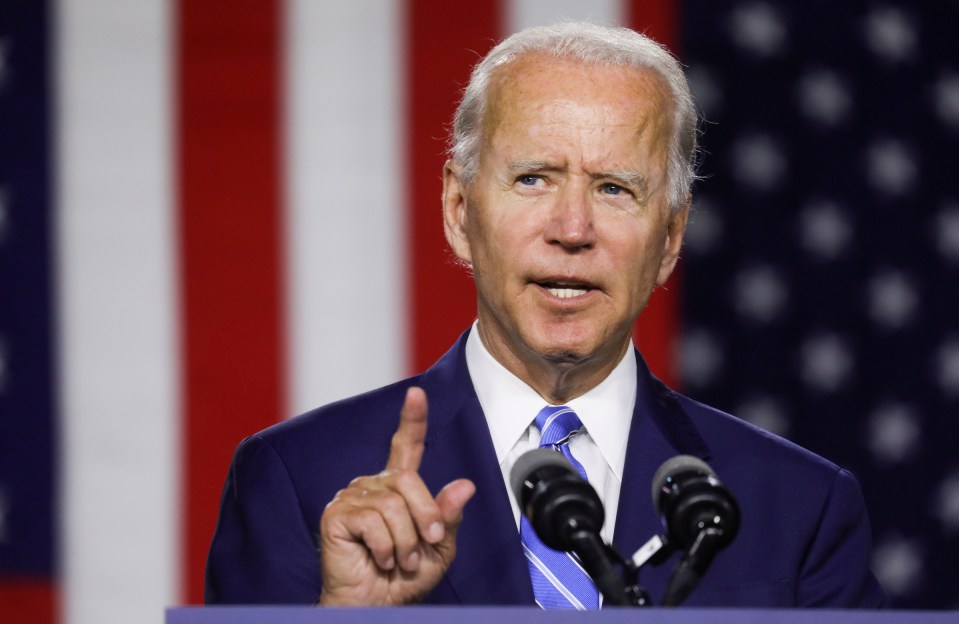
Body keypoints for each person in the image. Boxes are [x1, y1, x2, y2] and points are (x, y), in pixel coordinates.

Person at [205, 22, 886, 608]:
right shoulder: (297, 480)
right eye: (533, 179)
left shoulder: (799, 507)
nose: (572, 229)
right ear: (459, 211)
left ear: (670, 239)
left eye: (614, 189)